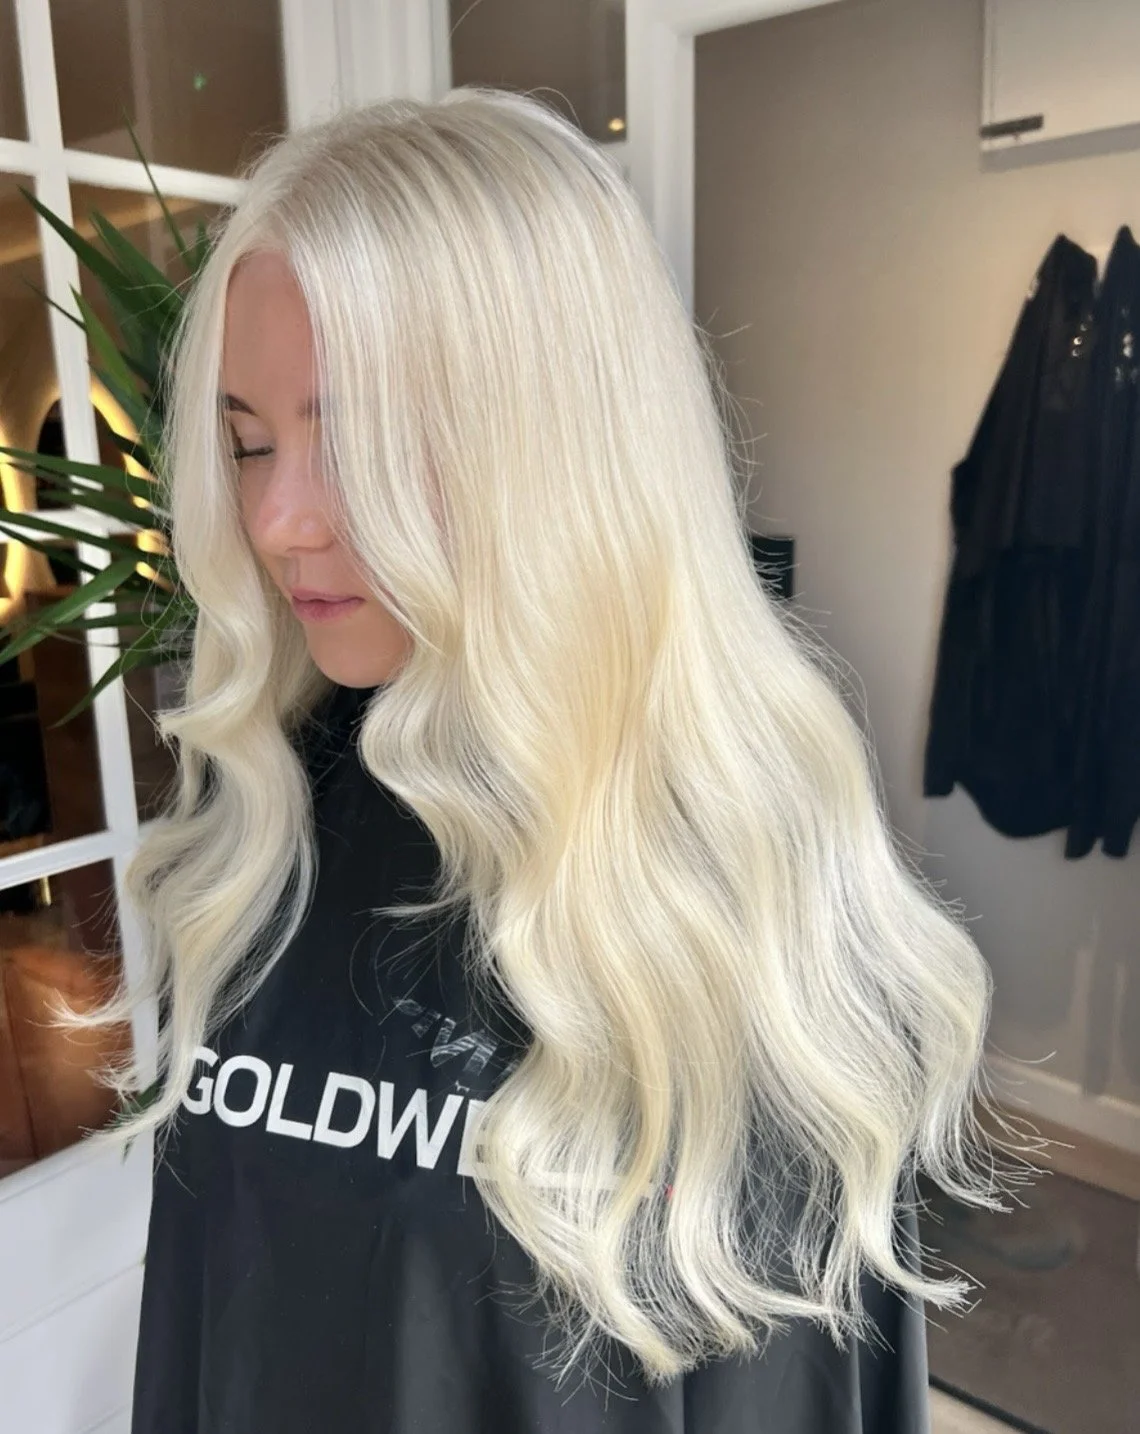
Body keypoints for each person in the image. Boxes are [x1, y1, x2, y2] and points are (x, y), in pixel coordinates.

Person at [65, 88, 1045, 1433]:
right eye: (248, 442)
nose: (280, 517)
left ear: (558, 444)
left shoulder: (726, 888)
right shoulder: (267, 818)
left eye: (358, 435)